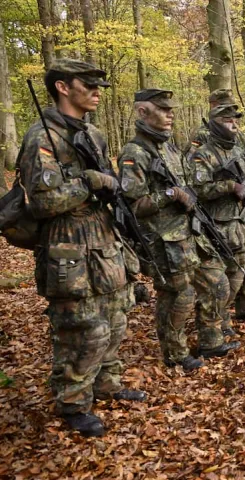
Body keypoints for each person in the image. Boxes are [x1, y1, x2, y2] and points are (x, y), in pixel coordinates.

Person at [19, 59, 143, 437]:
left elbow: (108, 187)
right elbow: (42, 202)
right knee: (82, 327)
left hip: (103, 238)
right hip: (67, 245)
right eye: (87, 85)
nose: (95, 93)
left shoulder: (94, 134)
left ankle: (107, 383)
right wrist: (88, 181)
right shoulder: (43, 137)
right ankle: (73, 402)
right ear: (62, 86)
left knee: (117, 315)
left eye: (98, 86)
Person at [118, 88, 239, 372]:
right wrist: (169, 195)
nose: (170, 114)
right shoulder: (134, 152)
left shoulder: (171, 148)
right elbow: (131, 206)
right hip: (164, 241)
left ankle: (211, 340)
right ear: (143, 112)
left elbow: (190, 187)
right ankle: (175, 353)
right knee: (177, 297)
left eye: (172, 109)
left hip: (190, 234)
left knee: (217, 281)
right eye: (163, 109)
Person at [191, 103, 245, 331]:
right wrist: (228, 186)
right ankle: (221, 319)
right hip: (223, 222)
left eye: (236, 119)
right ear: (215, 123)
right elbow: (198, 190)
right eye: (229, 120)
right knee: (233, 273)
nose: (235, 124)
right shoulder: (202, 155)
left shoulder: (237, 150)